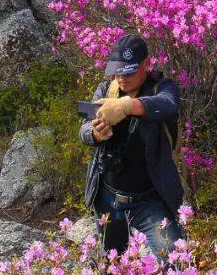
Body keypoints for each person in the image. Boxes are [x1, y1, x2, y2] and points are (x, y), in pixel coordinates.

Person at [78, 34, 184, 261]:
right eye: (118, 71)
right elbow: (84, 129)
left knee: (176, 260)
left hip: (149, 200)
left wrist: (127, 106)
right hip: (108, 197)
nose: (121, 78)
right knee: (109, 269)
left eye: (129, 71)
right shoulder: (106, 89)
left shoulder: (161, 88)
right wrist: (96, 133)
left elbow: (167, 104)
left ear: (146, 64)